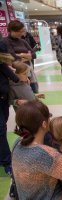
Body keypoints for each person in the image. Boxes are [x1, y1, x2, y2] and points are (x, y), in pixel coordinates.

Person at [2, 20, 38, 93]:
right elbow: (12, 57)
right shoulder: (5, 41)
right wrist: (26, 56)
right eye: (19, 31)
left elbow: (34, 55)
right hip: (17, 74)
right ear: (12, 31)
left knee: (32, 94)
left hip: (28, 72)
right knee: (23, 97)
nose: (22, 33)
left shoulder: (23, 41)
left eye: (23, 31)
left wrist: (22, 55)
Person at [0, 41, 19, 176]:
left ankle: (4, 158)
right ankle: (6, 161)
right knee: (1, 129)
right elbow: (15, 78)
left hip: (3, 98)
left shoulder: (2, 64)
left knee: (3, 127)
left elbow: (14, 77)